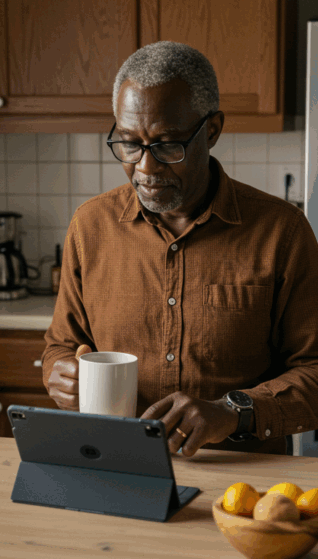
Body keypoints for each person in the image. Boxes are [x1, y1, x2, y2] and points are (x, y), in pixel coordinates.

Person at [43, 41, 318, 457]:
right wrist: (58, 373)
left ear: (212, 130)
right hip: (117, 461)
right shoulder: (90, 226)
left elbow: (314, 369)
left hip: (239, 478)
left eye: (168, 144)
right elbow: (61, 346)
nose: (146, 168)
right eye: (129, 143)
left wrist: (232, 411)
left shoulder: (282, 232)